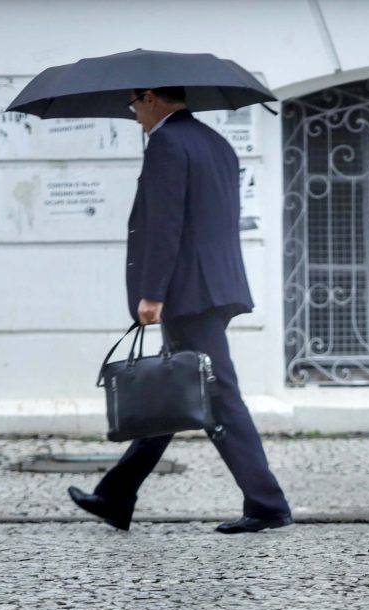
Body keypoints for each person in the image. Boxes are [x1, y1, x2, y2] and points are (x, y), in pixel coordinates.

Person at [68, 87, 292, 534]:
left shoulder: (168, 143)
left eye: (134, 106)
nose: (134, 117)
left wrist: (153, 292)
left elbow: (166, 223)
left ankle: (267, 504)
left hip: (189, 291)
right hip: (214, 284)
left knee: (219, 396)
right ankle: (116, 494)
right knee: (175, 391)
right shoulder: (215, 141)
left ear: (150, 97)